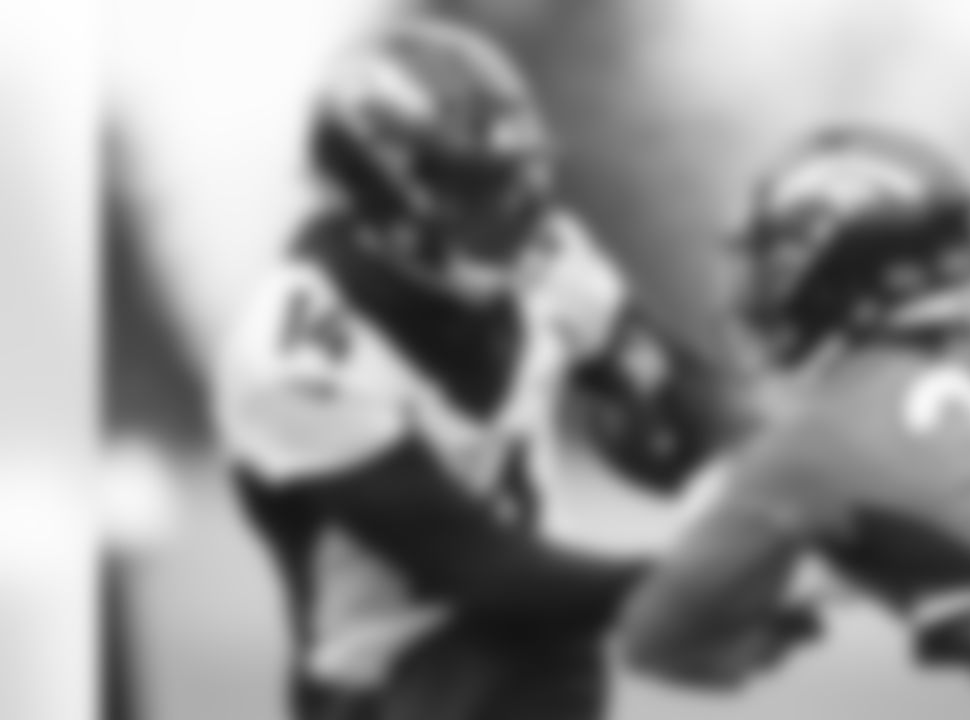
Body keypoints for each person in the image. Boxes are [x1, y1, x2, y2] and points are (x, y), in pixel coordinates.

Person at [211, 18, 714, 720]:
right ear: (378, 198)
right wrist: (706, 584)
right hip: (380, 692)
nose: (511, 216)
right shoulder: (299, 351)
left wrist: (783, 490)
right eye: (473, 191)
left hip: (531, 669)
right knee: (518, 648)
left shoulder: (548, 259)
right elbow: (483, 570)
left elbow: (693, 420)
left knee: (541, 654)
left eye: (515, 182)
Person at [617, 125, 970, 719]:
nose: (757, 283)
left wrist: (774, 625)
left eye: (774, 258)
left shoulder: (817, 441)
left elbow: (656, 639)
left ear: (828, 265)